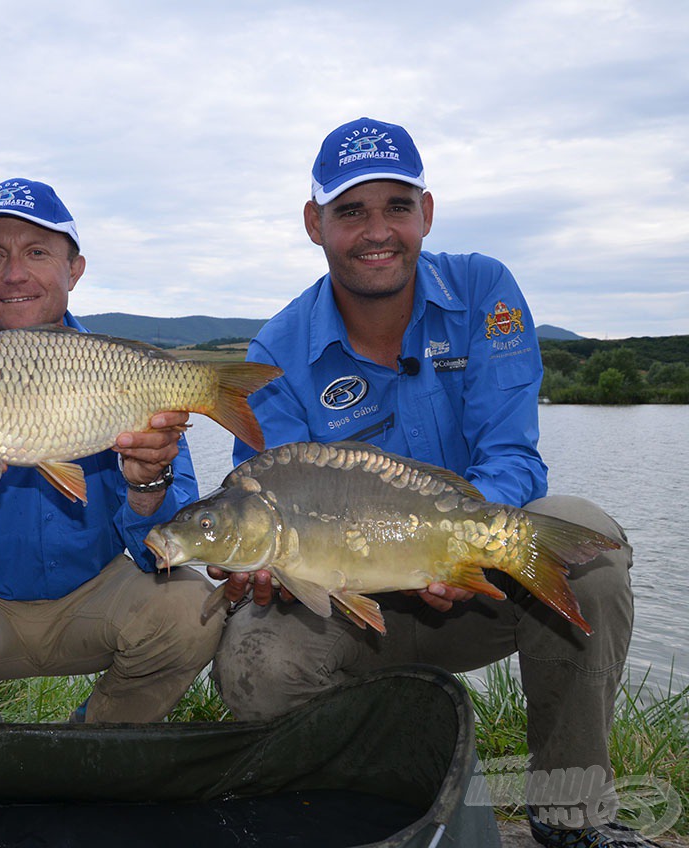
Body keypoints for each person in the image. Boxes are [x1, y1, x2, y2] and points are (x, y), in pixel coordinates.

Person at [211, 118, 651, 847]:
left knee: (592, 555)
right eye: (351, 210)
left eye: (397, 207)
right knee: (254, 659)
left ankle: (570, 815)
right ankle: (356, 804)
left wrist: (460, 548)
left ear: (428, 214)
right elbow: (270, 495)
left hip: (471, 582)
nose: (376, 230)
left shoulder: (484, 290)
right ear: (314, 223)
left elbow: (512, 450)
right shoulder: (275, 353)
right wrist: (264, 569)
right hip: (346, 610)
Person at [0, 178, 223, 723]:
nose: (14, 273)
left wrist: (147, 486)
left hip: (96, 597)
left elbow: (160, 555)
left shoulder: (125, 374)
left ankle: (96, 748)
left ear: (74, 268)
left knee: (193, 608)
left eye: (37, 252)